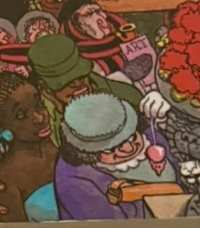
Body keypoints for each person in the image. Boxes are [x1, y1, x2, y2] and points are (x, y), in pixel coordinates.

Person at [55, 93, 183, 220]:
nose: (129, 149)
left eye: (132, 137)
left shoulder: (151, 136)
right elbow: (108, 223)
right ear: (88, 154)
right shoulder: (74, 179)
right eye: (111, 149)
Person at [28, 33, 168, 130]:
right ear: (45, 87)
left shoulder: (114, 91)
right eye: (66, 81)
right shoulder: (41, 116)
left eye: (80, 74)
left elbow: (135, 101)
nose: (78, 84)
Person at [0, 72, 59, 222]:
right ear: (1, 127)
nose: (39, 118)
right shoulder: (5, 179)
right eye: (21, 115)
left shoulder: (61, 148)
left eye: (39, 104)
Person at [57, 0, 136, 75]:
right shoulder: (75, 59)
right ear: (77, 26)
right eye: (89, 14)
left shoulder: (124, 34)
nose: (102, 17)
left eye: (98, 11)